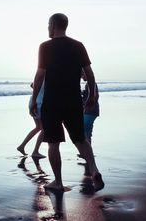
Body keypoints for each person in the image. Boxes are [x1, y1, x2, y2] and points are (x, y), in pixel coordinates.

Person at [30, 13, 104, 192]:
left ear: (54, 25)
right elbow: (90, 74)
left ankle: (58, 182)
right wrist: (91, 96)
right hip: (73, 101)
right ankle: (94, 170)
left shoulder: (45, 46)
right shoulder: (78, 46)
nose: (47, 28)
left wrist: (34, 98)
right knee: (80, 139)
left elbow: (40, 75)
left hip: (52, 102)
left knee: (53, 143)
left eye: (48, 24)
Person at [17, 82, 46, 158]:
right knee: (44, 128)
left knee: (39, 127)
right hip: (40, 104)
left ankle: (22, 146)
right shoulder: (48, 76)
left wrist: (40, 91)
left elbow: (32, 85)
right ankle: (35, 151)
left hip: (33, 102)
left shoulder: (41, 76)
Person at [81, 69, 99, 145]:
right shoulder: (89, 84)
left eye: (82, 75)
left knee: (85, 130)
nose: (82, 78)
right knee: (87, 131)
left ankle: (87, 151)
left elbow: (95, 97)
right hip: (92, 111)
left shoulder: (91, 84)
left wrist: (84, 104)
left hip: (90, 110)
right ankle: (88, 150)